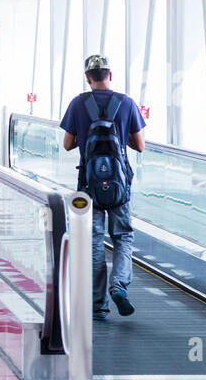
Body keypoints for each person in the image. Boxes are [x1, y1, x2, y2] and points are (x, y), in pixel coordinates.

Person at [59, 54, 147, 322]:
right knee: (123, 237)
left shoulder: (78, 103)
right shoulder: (126, 103)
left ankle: (99, 306)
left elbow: (67, 144)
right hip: (119, 185)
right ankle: (118, 286)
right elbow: (139, 145)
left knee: (95, 241)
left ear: (88, 78)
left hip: (89, 185)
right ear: (111, 75)